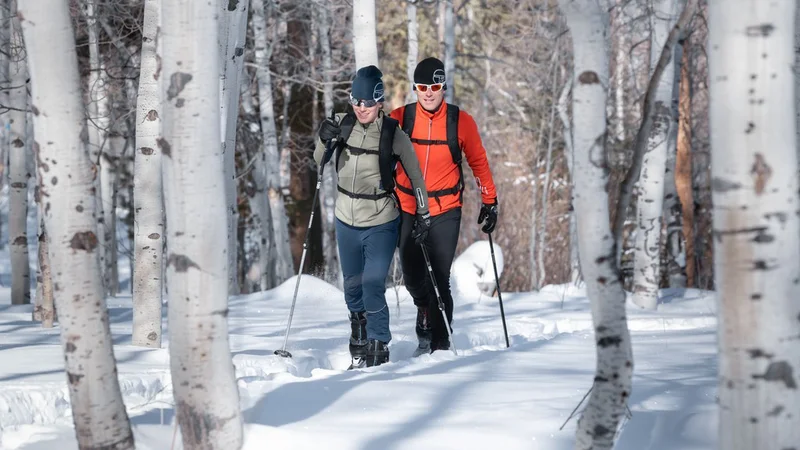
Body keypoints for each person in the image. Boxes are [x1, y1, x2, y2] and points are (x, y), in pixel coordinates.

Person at [314, 65, 431, 368]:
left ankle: (379, 344)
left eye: (367, 102)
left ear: (379, 101)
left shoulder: (393, 133)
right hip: (345, 218)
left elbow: (416, 177)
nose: (361, 108)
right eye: (356, 101)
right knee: (352, 284)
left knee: (373, 283)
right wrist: (323, 138)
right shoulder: (341, 124)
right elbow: (319, 160)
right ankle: (359, 331)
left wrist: (423, 214)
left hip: (380, 219)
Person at [389, 57, 499, 355]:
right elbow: (373, 141)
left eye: (434, 86)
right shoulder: (400, 117)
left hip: (445, 209)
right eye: (422, 87)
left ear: (443, 88)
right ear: (415, 88)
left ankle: (440, 343)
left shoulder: (460, 121)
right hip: (409, 205)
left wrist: (490, 201)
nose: (428, 93)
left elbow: (478, 161)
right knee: (412, 275)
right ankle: (424, 308)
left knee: (439, 276)